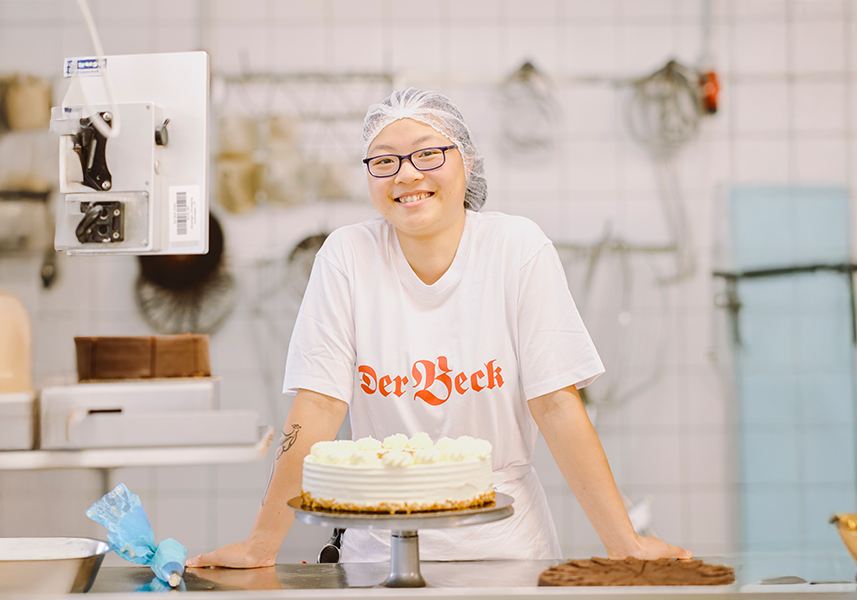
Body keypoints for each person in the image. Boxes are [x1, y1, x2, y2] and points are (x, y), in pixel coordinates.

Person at [187, 88, 690, 568]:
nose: (406, 175)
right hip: (379, 554)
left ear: (465, 161)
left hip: (505, 547)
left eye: (427, 154)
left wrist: (623, 544)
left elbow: (556, 403)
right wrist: (260, 545)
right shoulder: (347, 256)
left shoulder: (516, 248)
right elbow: (318, 404)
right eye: (384, 160)